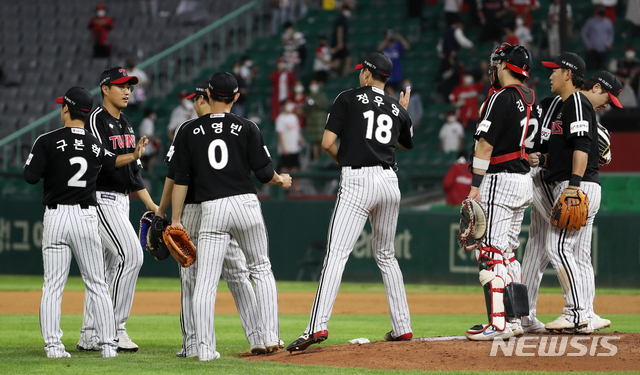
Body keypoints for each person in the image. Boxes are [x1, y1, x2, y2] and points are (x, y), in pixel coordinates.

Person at [287, 52, 414, 352]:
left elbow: (327, 143)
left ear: (368, 74)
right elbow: (406, 143)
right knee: (386, 256)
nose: (360, 75)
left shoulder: (348, 98)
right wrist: (403, 112)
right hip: (389, 182)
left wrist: (347, 161)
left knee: (336, 254)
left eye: (362, 71)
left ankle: (317, 326)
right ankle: (403, 327)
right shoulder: (397, 107)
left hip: (358, 180)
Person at [168, 72, 292, 361]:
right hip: (246, 203)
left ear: (208, 95)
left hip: (213, 208)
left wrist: (175, 219)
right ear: (236, 97)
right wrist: (280, 180)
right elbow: (263, 174)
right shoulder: (247, 127)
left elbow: (181, 180)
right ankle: (269, 336)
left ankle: (205, 350)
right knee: (260, 268)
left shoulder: (188, 130)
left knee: (206, 282)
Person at [24, 87, 147, 359]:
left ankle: (54, 347)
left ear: (66, 109)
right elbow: (114, 161)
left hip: (56, 216)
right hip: (85, 217)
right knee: (97, 283)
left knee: (53, 285)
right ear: (86, 112)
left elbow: (30, 176)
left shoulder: (46, 140)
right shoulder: (94, 144)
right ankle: (107, 346)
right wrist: (135, 155)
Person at [538, 53, 622, 333]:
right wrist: (546, 160)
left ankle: (575, 312)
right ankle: (587, 313)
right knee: (580, 254)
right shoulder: (572, 104)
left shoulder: (575, 102)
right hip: (586, 184)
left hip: (578, 185)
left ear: (568, 74)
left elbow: (583, 147)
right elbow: (570, 149)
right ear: (597, 87)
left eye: (555, 71)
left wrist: (573, 186)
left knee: (557, 247)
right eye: (609, 99)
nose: (550, 75)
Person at [78, 67, 159, 352]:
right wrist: (132, 155)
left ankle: (89, 334)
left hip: (122, 200)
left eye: (130, 86)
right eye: (121, 85)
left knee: (106, 271)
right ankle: (115, 328)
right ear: (105, 89)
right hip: (100, 197)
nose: (128, 90)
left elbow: (133, 170)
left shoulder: (125, 122)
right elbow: (102, 160)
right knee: (132, 256)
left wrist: (152, 205)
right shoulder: (95, 120)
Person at [465, 44, 541, 341]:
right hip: (524, 180)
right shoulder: (531, 97)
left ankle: (498, 323)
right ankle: (515, 319)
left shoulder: (503, 96)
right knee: (508, 253)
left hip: (500, 178)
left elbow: (484, 146)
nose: (492, 69)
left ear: (506, 66)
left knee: (490, 253)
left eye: (496, 64)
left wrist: (474, 186)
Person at [276, 99, 305, 193]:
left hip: (294, 148)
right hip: (286, 149)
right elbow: (279, 134)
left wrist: (301, 140)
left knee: (295, 168)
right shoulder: (280, 118)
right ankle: (284, 189)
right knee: (285, 168)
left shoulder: (294, 117)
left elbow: (297, 131)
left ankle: (296, 188)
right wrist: (283, 147)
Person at [302, 80, 329, 162]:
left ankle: (323, 159)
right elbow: (305, 109)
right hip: (311, 122)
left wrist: (315, 102)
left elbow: (324, 105)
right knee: (314, 142)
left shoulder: (321, 95)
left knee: (322, 141)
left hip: (321, 122)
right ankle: (316, 159)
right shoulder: (308, 96)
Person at [377, 30, 410, 94]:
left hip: (396, 75)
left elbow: (407, 47)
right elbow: (379, 49)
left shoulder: (397, 47)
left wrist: (400, 38)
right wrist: (386, 40)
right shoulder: (384, 47)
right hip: (386, 76)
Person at [581, 5, 614, 70]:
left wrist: (609, 42)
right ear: (596, 11)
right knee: (591, 67)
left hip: (604, 49)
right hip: (593, 49)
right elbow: (584, 33)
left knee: (601, 68)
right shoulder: (591, 22)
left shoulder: (608, 22)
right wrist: (588, 44)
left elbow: (611, 33)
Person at [331, 4, 353, 76]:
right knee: (347, 59)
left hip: (340, 43)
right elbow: (339, 30)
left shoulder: (344, 19)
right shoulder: (342, 19)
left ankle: (333, 75)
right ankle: (344, 76)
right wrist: (340, 42)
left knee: (337, 60)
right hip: (340, 43)